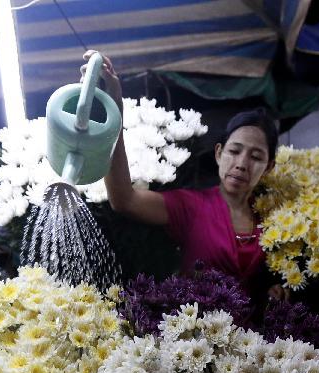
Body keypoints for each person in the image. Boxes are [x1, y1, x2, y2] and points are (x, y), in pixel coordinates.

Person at [82, 51, 289, 303]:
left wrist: (277, 290)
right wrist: (114, 106)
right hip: (193, 335)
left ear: (268, 167)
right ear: (219, 153)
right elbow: (124, 200)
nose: (242, 164)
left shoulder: (275, 220)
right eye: (234, 151)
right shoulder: (192, 206)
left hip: (256, 339)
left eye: (256, 157)